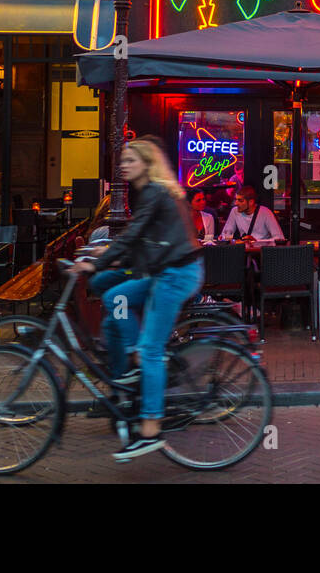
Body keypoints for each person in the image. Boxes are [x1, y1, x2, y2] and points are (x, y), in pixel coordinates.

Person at [70, 139, 203, 462]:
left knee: (151, 352)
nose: (123, 165)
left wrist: (98, 262)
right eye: (122, 160)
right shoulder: (148, 193)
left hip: (175, 275)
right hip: (163, 271)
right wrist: (108, 256)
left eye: (130, 160)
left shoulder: (156, 191)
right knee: (115, 297)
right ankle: (132, 360)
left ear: (146, 163)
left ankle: (150, 431)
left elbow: (133, 235)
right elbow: (139, 236)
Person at [219, 185, 285, 243]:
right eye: (236, 200)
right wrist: (223, 238)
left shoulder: (265, 213)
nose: (236, 203)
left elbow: (279, 238)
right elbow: (226, 234)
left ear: (251, 202)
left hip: (261, 252)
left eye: (240, 201)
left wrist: (256, 241)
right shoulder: (235, 211)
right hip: (245, 252)